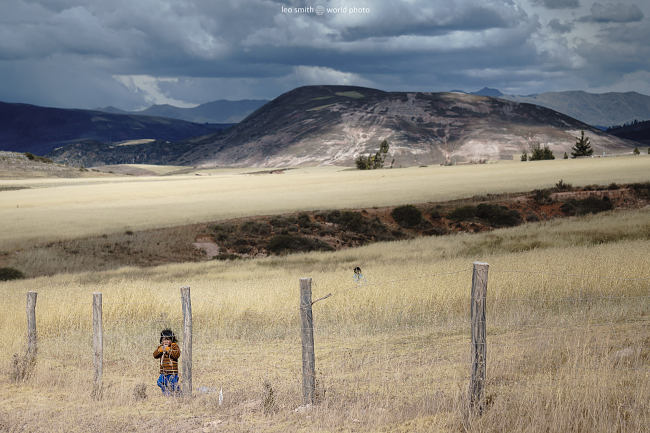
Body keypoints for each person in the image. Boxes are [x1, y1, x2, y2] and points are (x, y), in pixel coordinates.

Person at [154, 329, 181, 395]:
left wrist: (168, 350)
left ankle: (179, 394)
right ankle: (167, 394)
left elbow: (176, 355)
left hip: (172, 372)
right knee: (160, 382)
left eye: (168, 339)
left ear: (172, 340)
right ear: (161, 340)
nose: (165, 341)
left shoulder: (174, 346)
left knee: (173, 385)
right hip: (164, 372)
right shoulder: (161, 347)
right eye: (164, 339)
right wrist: (159, 350)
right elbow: (155, 355)